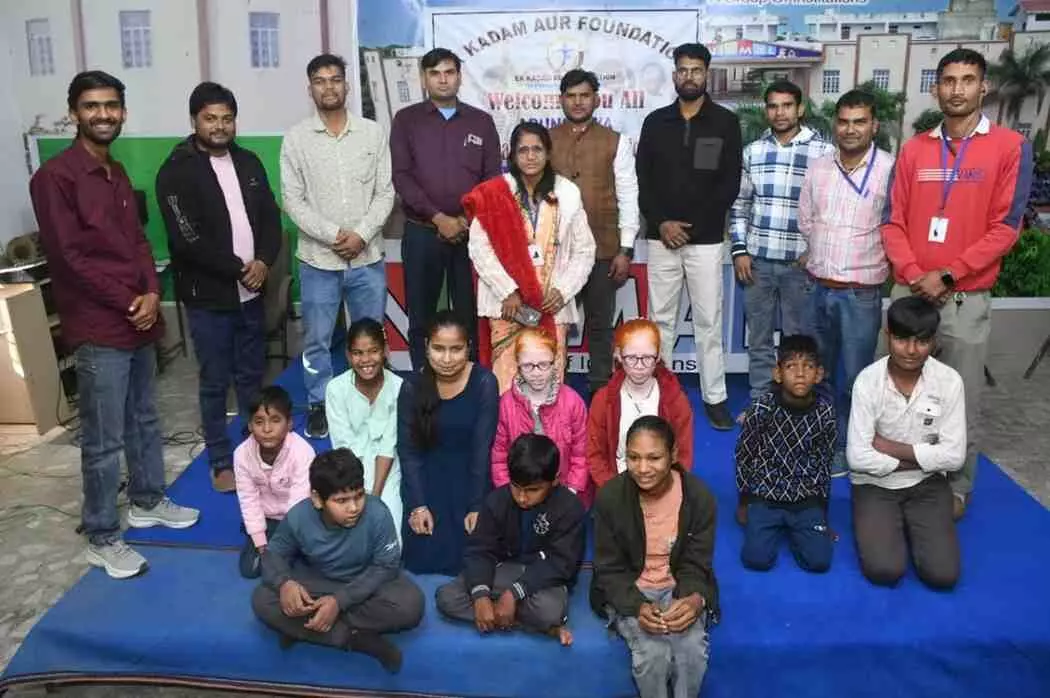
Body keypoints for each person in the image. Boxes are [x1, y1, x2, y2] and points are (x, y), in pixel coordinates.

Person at [29, 71, 199, 580]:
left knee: (144, 419)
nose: (102, 114)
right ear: (73, 113)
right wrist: (130, 300)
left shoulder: (116, 172)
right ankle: (102, 536)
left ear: (122, 112)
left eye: (110, 106)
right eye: (91, 106)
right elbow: (69, 258)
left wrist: (152, 292)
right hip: (99, 325)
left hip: (137, 318)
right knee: (103, 440)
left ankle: (147, 500)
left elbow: (139, 242)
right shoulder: (55, 178)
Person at [881, 48, 1032, 520]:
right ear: (936, 89)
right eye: (948, 80)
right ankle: (894, 473)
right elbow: (892, 221)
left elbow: (1006, 227)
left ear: (983, 87)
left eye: (968, 80)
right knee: (894, 390)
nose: (957, 89)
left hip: (965, 296)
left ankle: (957, 484)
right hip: (910, 292)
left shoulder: (1009, 147)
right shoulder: (914, 149)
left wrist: (948, 274)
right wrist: (914, 274)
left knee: (959, 397)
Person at [156, 81, 283, 492]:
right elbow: (186, 238)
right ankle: (220, 460)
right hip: (208, 299)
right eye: (210, 118)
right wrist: (238, 269)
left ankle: (254, 448)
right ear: (195, 120)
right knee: (214, 382)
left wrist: (263, 262)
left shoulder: (249, 162)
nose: (219, 126)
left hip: (252, 293)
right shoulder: (176, 171)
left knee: (251, 377)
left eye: (227, 118)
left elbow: (271, 218)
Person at [281, 53, 394, 439]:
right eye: (320, 80)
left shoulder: (372, 134)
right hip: (318, 261)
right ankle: (319, 402)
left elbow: (385, 193)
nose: (328, 87)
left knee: (370, 336)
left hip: (367, 257)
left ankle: (372, 399)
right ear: (310, 88)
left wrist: (361, 234)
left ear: (347, 85)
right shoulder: (296, 139)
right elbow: (293, 200)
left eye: (335, 79)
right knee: (316, 340)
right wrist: (334, 235)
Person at [636, 43, 743, 430]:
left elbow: (728, 185)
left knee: (708, 322)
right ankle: (657, 395)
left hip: (706, 241)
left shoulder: (725, 123)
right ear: (674, 75)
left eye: (696, 70)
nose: (689, 76)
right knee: (659, 322)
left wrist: (689, 228)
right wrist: (663, 223)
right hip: (661, 238)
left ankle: (715, 397)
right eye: (683, 70)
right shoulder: (655, 122)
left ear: (707, 74)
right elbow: (644, 182)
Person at [252, 449, 424, 672]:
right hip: (319, 582)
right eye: (341, 500)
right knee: (262, 599)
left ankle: (302, 628)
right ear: (317, 499)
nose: (353, 508)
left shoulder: (378, 514)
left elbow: (386, 566)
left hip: (365, 582)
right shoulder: (298, 517)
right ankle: (352, 638)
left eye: (359, 496)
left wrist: (339, 601)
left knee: (411, 605)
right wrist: (285, 584)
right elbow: (272, 555)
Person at [798, 89, 894, 476]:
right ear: (834, 124)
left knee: (855, 378)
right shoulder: (819, 167)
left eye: (859, 122)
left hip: (860, 293)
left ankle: (849, 447)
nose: (850, 129)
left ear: (874, 126)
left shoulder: (889, 168)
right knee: (817, 373)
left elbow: (895, 225)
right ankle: (823, 440)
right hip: (817, 287)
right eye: (843, 121)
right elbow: (807, 219)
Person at [465, 121, 596, 394]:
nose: (530, 156)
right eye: (523, 150)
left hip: (551, 305)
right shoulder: (495, 193)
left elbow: (585, 251)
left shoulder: (567, 194)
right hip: (508, 307)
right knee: (507, 385)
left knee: (548, 384)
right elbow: (479, 247)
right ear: (512, 155)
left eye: (537, 149)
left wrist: (563, 290)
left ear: (548, 154)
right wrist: (507, 291)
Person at [591, 416, 718, 698]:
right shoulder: (610, 498)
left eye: (654, 458)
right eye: (633, 457)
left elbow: (696, 562)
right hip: (633, 587)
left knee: (692, 651)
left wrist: (694, 598)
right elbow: (608, 569)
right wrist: (636, 606)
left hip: (678, 585)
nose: (642, 469)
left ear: (673, 455)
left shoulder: (699, 498)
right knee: (652, 654)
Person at [391, 47, 501, 370]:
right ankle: (423, 380)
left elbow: (492, 180)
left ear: (459, 77)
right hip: (422, 232)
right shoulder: (406, 121)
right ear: (424, 79)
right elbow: (402, 176)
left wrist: (464, 220)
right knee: (421, 314)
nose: (443, 80)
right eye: (435, 73)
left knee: (472, 313)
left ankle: (471, 379)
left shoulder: (481, 122)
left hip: (472, 235)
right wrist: (439, 218)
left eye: (449, 72)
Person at [731, 80, 835, 416]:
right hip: (757, 263)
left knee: (799, 343)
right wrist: (740, 250)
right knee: (759, 340)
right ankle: (762, 406)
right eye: (773, 106)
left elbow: (829, 209)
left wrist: (814, 251)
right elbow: (740, 205)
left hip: (799, 267)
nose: (780, 112)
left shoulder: (823, 153)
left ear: (800, 109)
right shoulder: (753, 151)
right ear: (766, 110)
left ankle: (795, 410)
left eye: (787, 105)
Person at [847, 297, 966, 589]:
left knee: (943, 576)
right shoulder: (867, 381)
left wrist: (889, 447)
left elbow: (955, 457)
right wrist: (924, 458)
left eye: (922, 341)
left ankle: (918, 520)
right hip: (875, 484)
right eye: (901, 339)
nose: (911, 351)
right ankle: (888, 519)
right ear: (887, 335)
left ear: (934, 342)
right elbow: (858, 458)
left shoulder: (950, 381)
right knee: (884, 570)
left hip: (927, 484)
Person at [436, 433, 586, 646]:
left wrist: (514, 594)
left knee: (548, 611)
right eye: (516, 487)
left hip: (543, 579)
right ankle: (528, 624)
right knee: (448, 597)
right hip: (504, 572)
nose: (522, 497)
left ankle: (506, 614)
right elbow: (479, 550)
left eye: (533, 490)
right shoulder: (496, 501)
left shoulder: (570, 508)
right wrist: (480, 595)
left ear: (555, 480)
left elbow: (561, 564)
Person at [550, 69, 640, 394]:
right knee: (555, 322)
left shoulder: (616, 141)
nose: (578, 102)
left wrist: (625, 249)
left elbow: (628, 196)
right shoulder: (546, 140)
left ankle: (600, 392)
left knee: (601, 325)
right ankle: (551, 386)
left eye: (584, 95)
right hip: (557, 252)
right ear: (561, 100)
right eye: (571, 96)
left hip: (603, 249)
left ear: (596, 100)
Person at [397, 311, 499, 575]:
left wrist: (477, 505)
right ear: (426, 347)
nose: (446, 359)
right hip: (427, 478)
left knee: (472, 559)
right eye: (439, 349)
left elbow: (482, 450)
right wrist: (418, 504)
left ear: (469, 348)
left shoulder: (484, 382)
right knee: (422, 559)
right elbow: (408, 452)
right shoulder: (411, 387)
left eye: (456, 349)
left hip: (470, 478)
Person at [735, 335, 836, 573]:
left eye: (808, 367)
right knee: (756, 559)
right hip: (765, 494)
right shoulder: (761, 409)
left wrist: (822, 511)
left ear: (819, 374)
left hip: (805, 497)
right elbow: (744, 455)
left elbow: (824, 462)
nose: (800, 374)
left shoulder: (825, 413)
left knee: (820, 561)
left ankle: (800, 530)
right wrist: (744, 500)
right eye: (791, 366)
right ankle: (775, 525)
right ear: (778, 374)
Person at [588, 319, 694, 490]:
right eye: (631, 358)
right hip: (615, 485)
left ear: (658, 356)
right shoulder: (603, 400)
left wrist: (663, 492)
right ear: (618, 355)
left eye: (647, 358)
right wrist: (613, 491)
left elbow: (682, 455)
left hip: (661, 486)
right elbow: (595, 455)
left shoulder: (676, 400)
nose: (639, 366)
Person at [491, 328, 591, 506]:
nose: (536, 373)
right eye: (528, 366)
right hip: (521, 496)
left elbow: (581, 453)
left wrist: (571, 491)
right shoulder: (505, 404)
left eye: (543, 364)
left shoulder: (572, 401)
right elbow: (499, 455)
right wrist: (509, 493)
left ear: (555, 362)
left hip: (562, 492)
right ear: (517, 364)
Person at [327, 318, 405, 544]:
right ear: (348, 355)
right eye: (358, 353)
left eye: (373, 351)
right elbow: (344, 446)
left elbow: (388, 446)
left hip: (389, 469)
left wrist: (374, 497)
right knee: (350, 539)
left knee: (391, 540)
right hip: (347, 469)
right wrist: (357, 494)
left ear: (385, 351)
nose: (366, 360)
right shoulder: (336, 389)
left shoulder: (398, 387)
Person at [233, 386, 315, 578]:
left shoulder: (303, 452)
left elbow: (299, 503)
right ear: (250, 425)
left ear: (289, 423)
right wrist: (260, 543)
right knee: (250, 570)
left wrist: (285, 543)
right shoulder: (241, 455)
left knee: (304, 566)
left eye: (276, 420)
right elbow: (248, 499)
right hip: (268, 519)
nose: (267, 429)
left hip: (299, 520)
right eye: (259, 421)